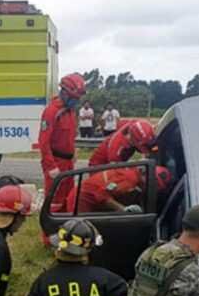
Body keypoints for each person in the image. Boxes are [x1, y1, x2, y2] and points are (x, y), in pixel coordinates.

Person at [39, 74, 84, 213]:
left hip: (68, 163)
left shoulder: (70, 111)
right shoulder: (52, 111)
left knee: (69, 199)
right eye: (73, 98)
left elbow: (70, 134)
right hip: (56, 163)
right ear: (63, 92)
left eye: (77, 99)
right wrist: (51, 166)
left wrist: (73, 150)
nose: (75, 101)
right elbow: (43, 142)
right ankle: (49, 233)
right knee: (54, 202)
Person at [67, 166, 170, 214]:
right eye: (154, 186)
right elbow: (101, 195)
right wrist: (124, 210)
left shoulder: (133, 174)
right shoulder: (130, 181)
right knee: (79, 233)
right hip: (81, 199)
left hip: (86, 197)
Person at [88, 119, 155, 167]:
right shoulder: (117, 150)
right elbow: (116, 171)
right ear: (133, 140)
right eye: (144, 145)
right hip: (99, 166)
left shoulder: (136, 124)